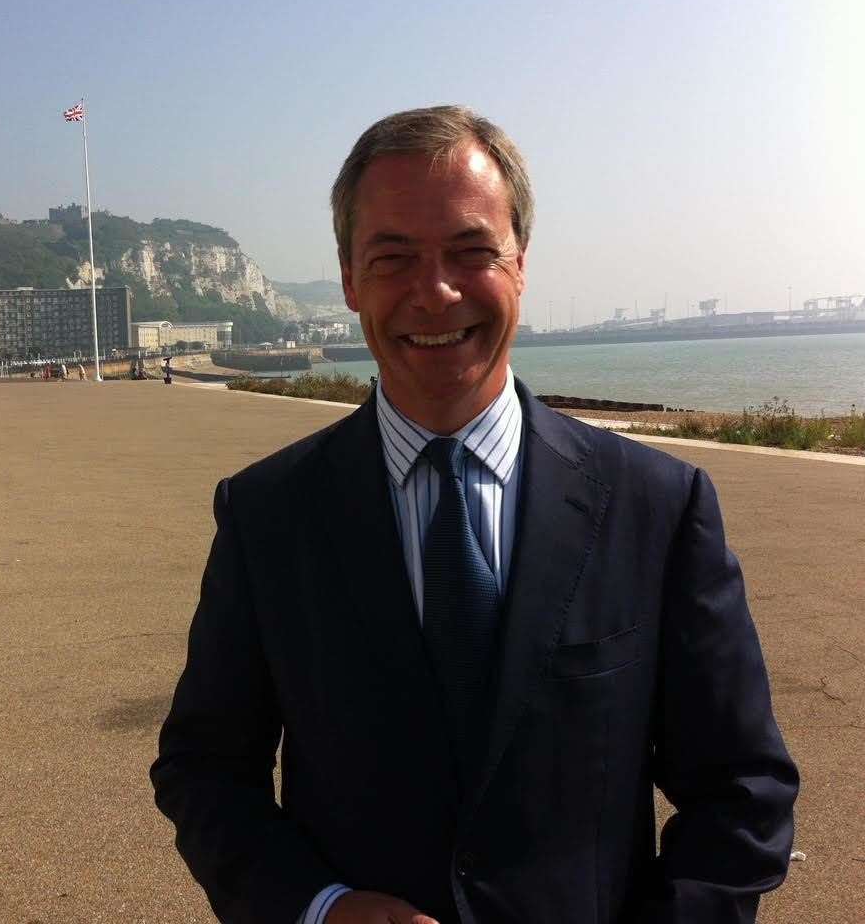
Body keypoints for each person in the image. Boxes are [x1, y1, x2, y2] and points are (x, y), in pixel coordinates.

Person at [151, 106, 798, 924]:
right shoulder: (266, 514)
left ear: (520, 264)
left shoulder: (657, 507)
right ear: (349, 279)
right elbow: (204, 766)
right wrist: (316, 907)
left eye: (471, 251)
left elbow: (743, 789)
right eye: (393, 258)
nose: (437, 292)